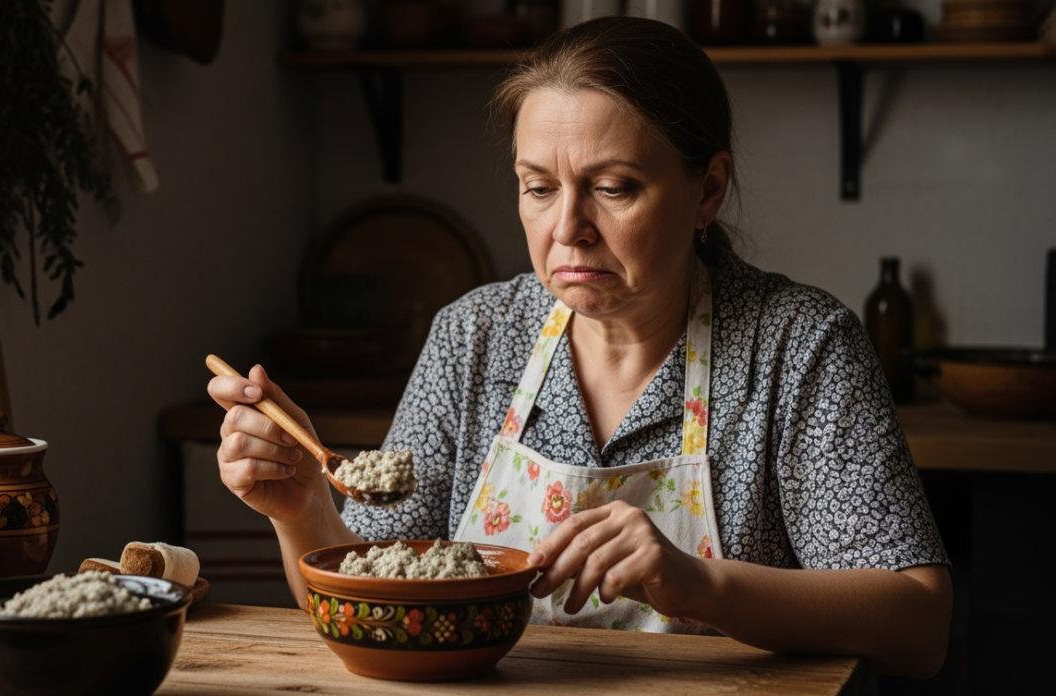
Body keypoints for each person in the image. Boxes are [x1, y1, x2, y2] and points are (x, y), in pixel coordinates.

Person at [208, 17, 951, 678]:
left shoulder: (798, 348)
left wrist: (699, 584)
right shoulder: (476, 336)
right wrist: (302, 510)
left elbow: (920, 621)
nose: (568, 228)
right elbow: (372, 602)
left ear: (708, 190)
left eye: (614, 187)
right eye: (538, 187)